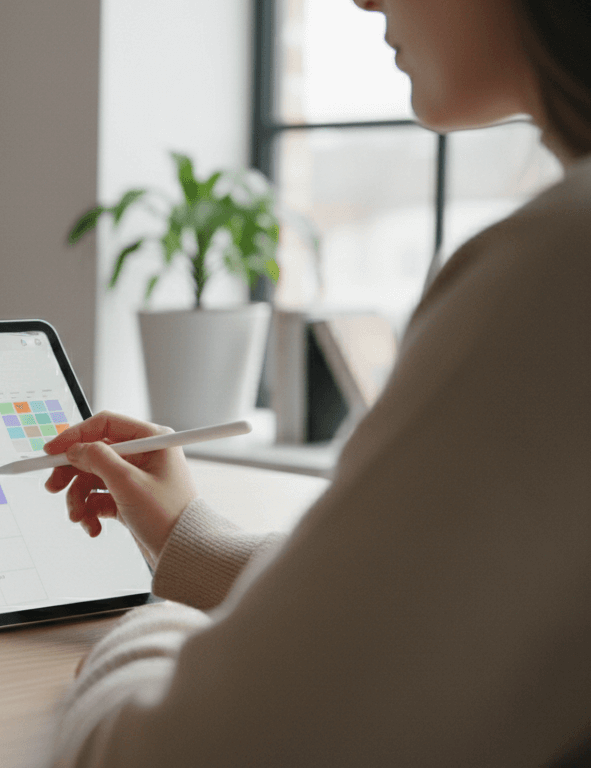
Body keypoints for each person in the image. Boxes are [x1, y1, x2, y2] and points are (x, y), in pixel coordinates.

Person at [44, 0, 591, 765]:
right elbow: (428, 598)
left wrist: (146, 627)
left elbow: (169, 753)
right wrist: (189, 540)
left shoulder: (559, 266)